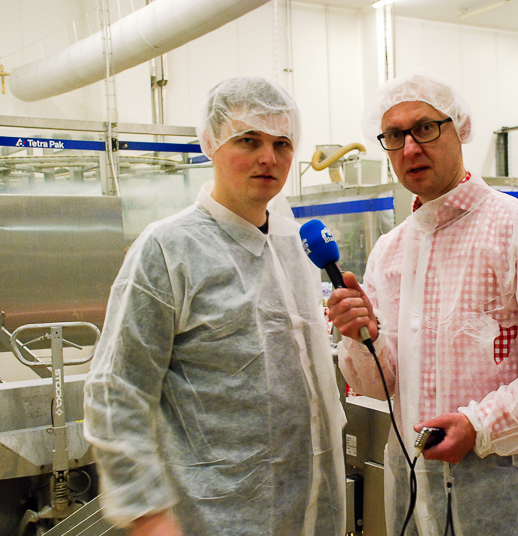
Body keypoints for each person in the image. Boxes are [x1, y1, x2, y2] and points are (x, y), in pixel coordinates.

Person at [327, 70, 518, 536]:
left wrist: (479, 425)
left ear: (460, 129)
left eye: (425, 128)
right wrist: (364, 338)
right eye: (394, 136)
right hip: (413, 494)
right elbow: (380, 385)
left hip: (505, 492)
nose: (410, 149)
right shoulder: (390, 251)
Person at [84, 76, 346, 536]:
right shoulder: (168, 248)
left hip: (312, 509)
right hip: (215, 515)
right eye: (249, 140)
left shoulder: (294, 245)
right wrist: (146, 511)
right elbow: (116, 390)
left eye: (282, 144)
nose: (269, 158)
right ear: (210, 143)